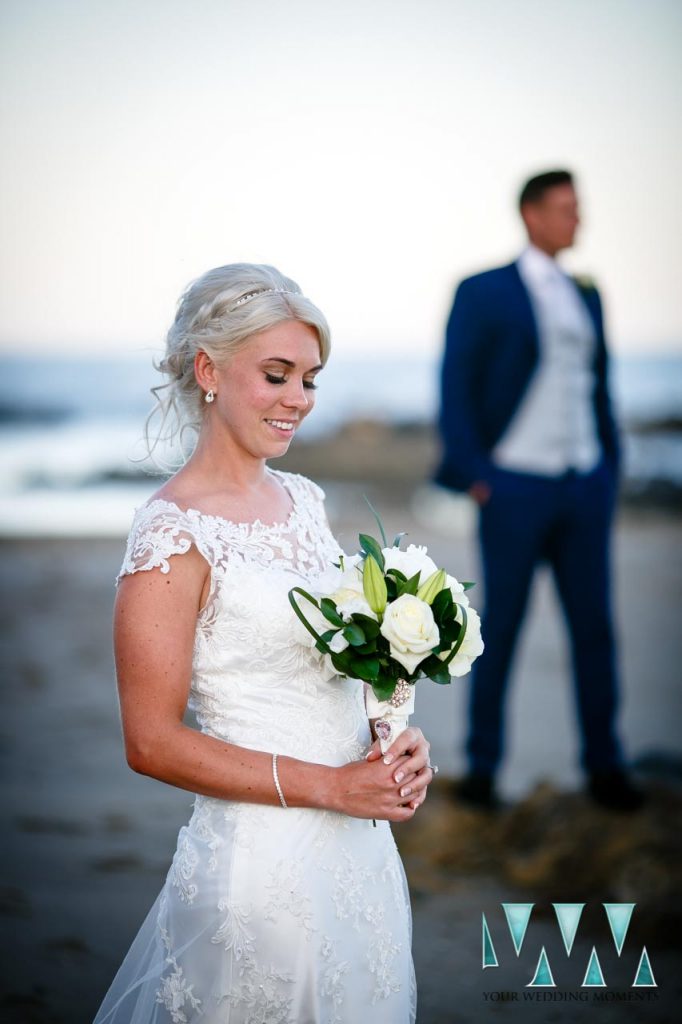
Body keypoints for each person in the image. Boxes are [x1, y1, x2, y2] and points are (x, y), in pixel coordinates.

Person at [93, 263, 432, 1023]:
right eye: (277, 375)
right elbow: (150, 741)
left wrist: (394, 740)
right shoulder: (172, 535)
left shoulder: (303, 501)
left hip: (362, 857)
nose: (298, 402)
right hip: (259, 875)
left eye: (310, 379)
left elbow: (331, 670)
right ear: (208, 370)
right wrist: (332, 787)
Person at [435, 170, 643, 813]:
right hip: (513, 484)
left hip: (584, 484)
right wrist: (476, 472)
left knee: (595, 630)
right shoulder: (483, 290)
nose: (577, 221)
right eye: (565, 209)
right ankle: (482, 769)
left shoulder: (589, 291)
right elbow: (455, 383)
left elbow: (596, 382)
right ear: (530, 214)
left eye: (578, 209)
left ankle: (605, 768)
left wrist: (610, 463)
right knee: (503, 625)